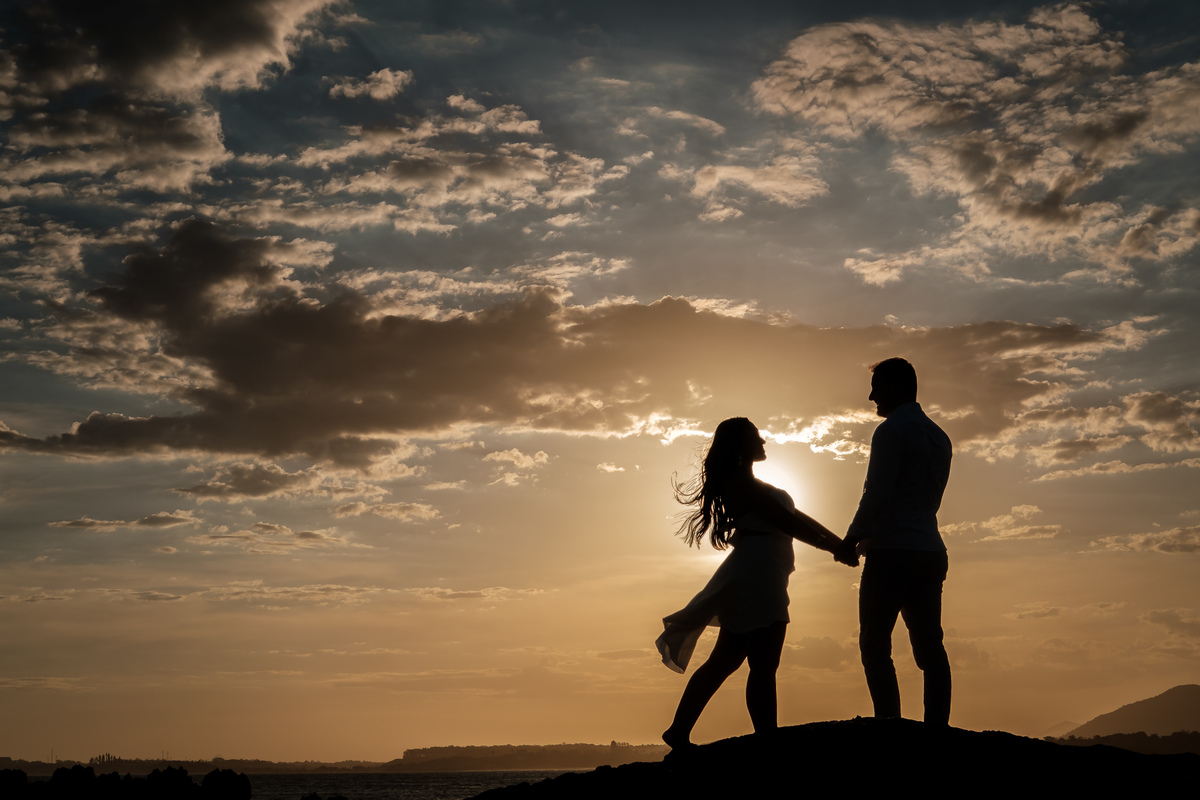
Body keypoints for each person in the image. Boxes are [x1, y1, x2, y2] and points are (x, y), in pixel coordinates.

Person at [656, 417, 845, 748]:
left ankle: (680, 731)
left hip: (759, 572)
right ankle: (765, 740)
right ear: (740, 447)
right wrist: (833, 547)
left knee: (727, 660)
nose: (763, 442)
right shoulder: (741, 484)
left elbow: (798, 517)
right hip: (757, 575)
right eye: (756, 438)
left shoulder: (755, 486)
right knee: (762, 662)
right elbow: (786, 521)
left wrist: (839, 544)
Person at [832, 357, 953, 725]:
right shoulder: (939, 436)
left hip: (891, 553)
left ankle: (889, 725)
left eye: (878, 387)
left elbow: (877, 492)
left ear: (898, 388)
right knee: (930, 648)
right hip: (929, 550)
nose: (871, 397)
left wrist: (851, 538)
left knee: (873, 644)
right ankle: (937, 728)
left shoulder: (890, 432)